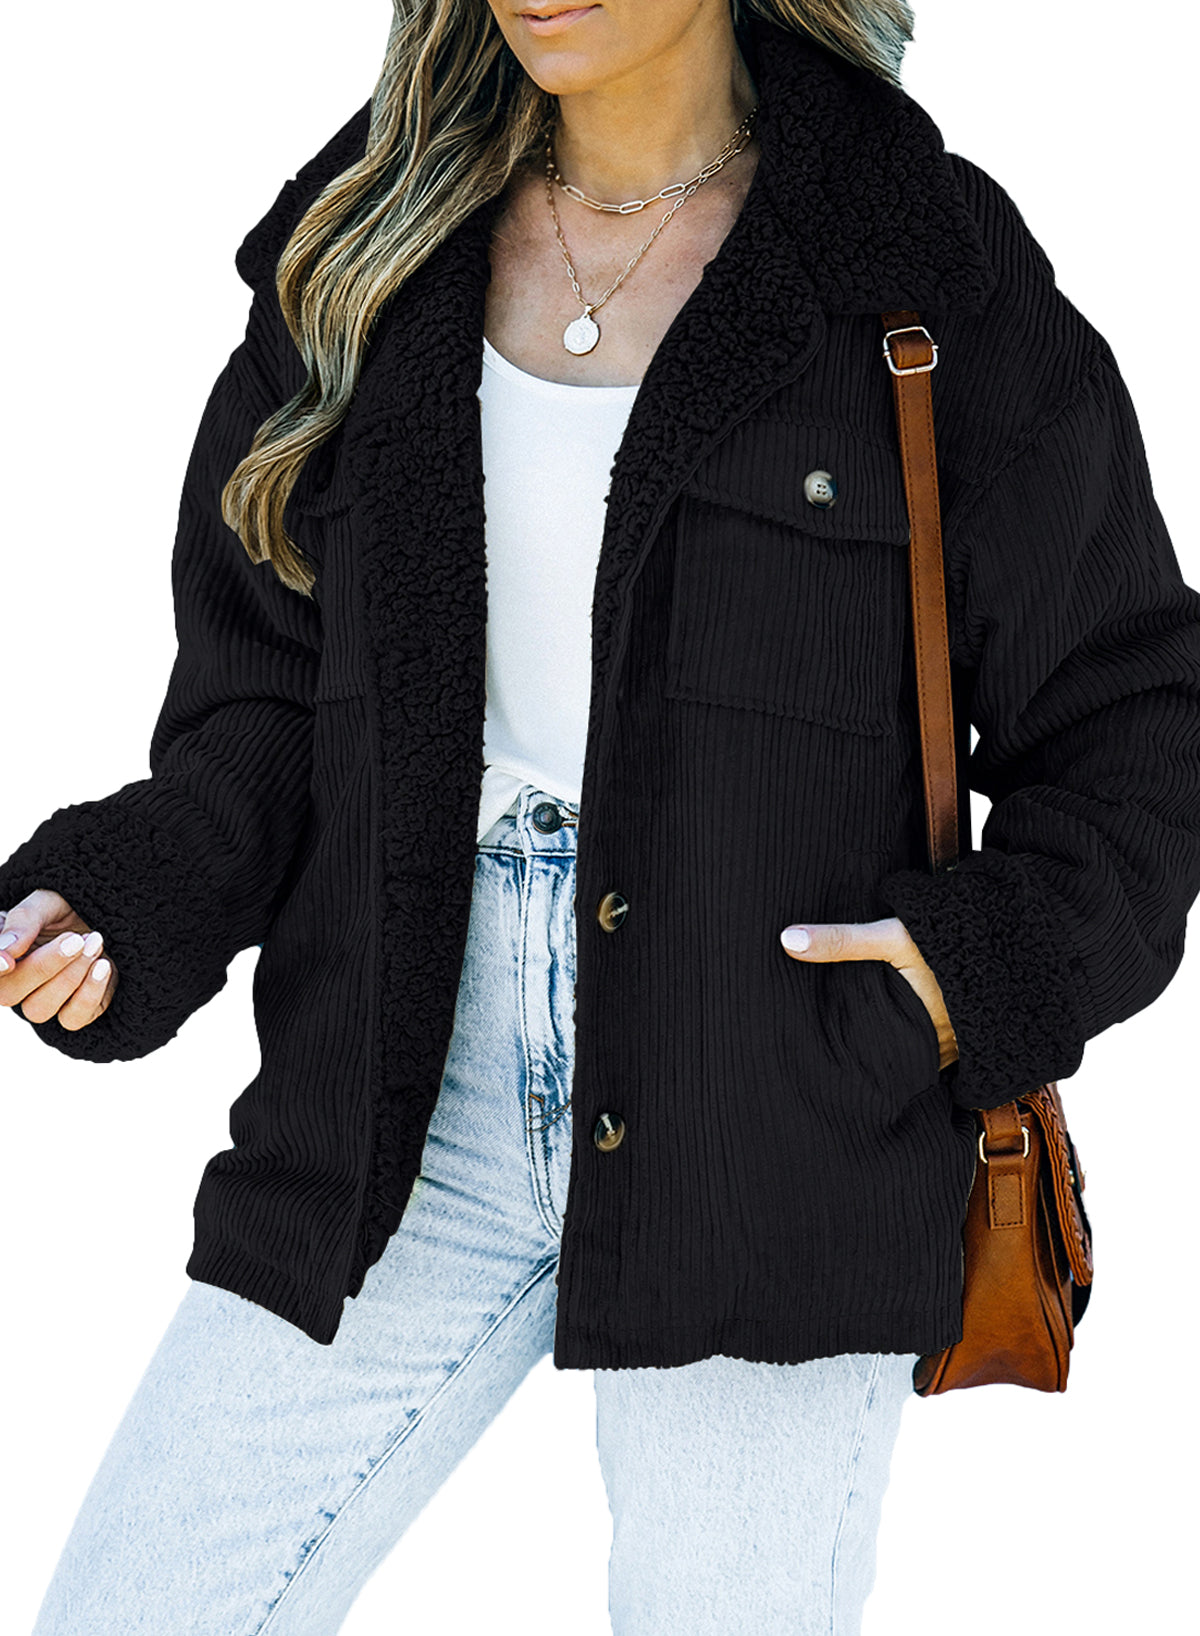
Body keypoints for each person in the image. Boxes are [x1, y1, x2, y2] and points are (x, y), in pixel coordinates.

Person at [2, 3, 1198, 1632]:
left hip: (772, 1106)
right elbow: (268, 710)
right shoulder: (362, 250)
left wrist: (952, 975)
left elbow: (1136, 717)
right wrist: (118, 900)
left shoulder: (916, 259)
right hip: (397, 1099)